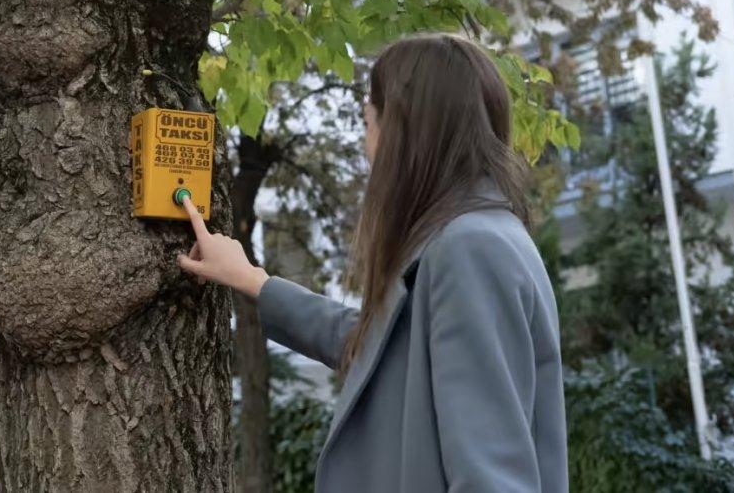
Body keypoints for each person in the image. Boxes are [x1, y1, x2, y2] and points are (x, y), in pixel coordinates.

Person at [177, 33, 568, 492]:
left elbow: (493, 479)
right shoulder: (474, 237)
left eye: (369, 123)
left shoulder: (470, 250)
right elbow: (379, 346)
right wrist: (252, 281)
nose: (367, 146)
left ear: (403, 134)